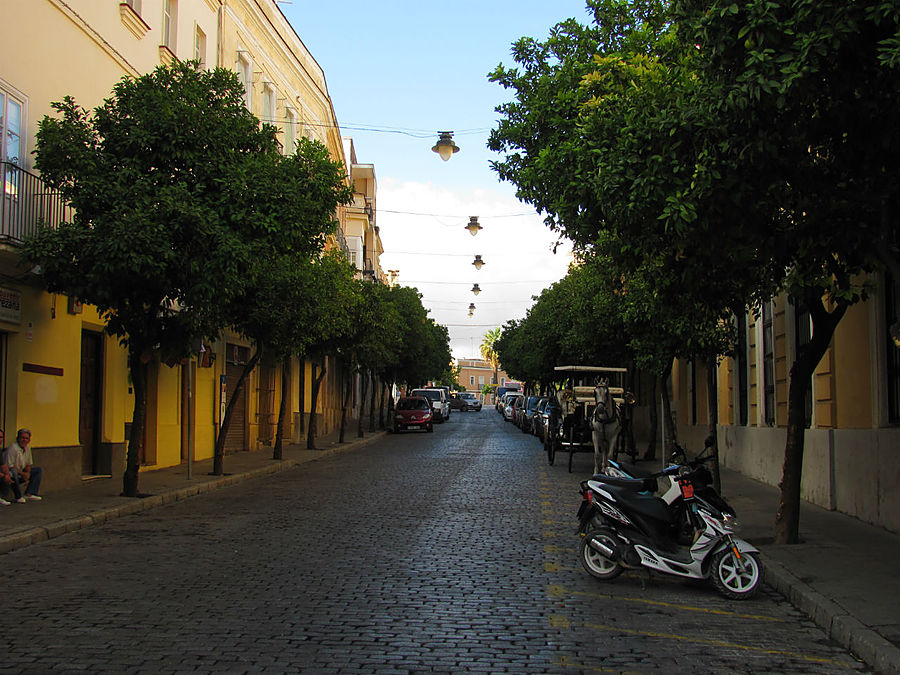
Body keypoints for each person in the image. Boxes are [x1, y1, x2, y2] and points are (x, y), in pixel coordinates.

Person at [2, 428, 43, 502]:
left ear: (29, 440)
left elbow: (28, 464)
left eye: (26, 438)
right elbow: (9, 466)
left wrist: (27, 473)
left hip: (21, 472)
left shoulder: (27, 448)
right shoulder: (13, 448)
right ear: (18, 438)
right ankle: (18, 497)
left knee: (38, 470)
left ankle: (29, 493)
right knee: (13, 471)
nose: (24, 440)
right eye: (22, 438)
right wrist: (23, 474)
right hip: (11, 474)